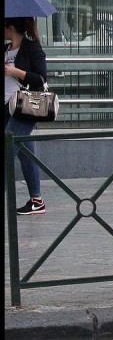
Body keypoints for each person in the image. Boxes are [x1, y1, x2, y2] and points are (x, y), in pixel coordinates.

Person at [4, 17, 48, 215]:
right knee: (26, 154)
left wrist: (15, 71)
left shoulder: (32, 48)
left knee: (7, 151)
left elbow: (40, 78)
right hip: (6, 107)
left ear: (10, 28)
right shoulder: (5, 50)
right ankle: (37, 201)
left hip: (24, 107)